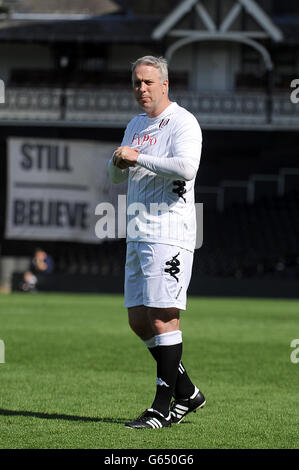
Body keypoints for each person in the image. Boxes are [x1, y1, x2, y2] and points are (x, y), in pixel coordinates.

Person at [107, 55, 205, 429]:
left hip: (169, 232)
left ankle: (161, 408)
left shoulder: (183, 122)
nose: (141, 89)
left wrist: (138, 157)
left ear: (165, 84)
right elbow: (117, 177)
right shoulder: (134, 124)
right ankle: (188, 392)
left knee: (163, 317)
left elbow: (187, 167)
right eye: (136, 82)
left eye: (148, 82)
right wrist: (118, 162)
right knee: (138, 320)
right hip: (138, 233)